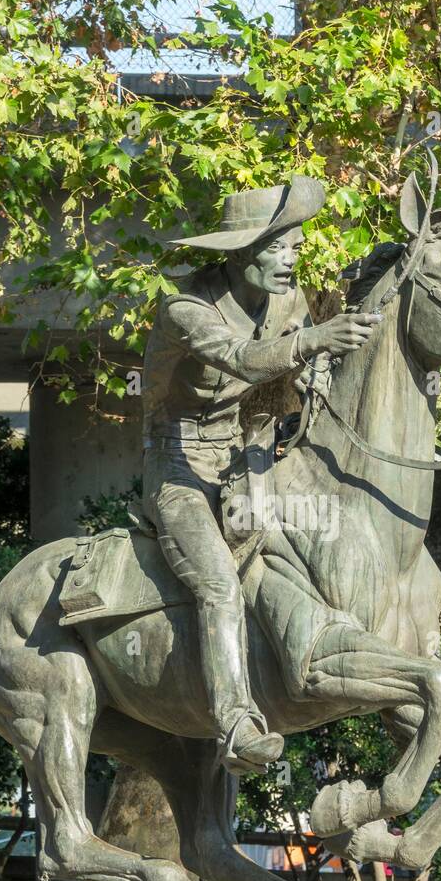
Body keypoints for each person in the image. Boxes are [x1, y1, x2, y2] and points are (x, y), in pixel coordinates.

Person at [142, 175, 380, 772]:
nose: (290, 261)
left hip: (245, 460)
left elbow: (278, 375)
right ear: (238, 255)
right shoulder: (184, 309)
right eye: (277, 249)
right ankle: (237, 726)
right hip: (180, 470)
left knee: (302, 549)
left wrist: (310, 374)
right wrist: (313, 340)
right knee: (219, 584)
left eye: (296, 248)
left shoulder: (289, 304)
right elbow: (240, 358)